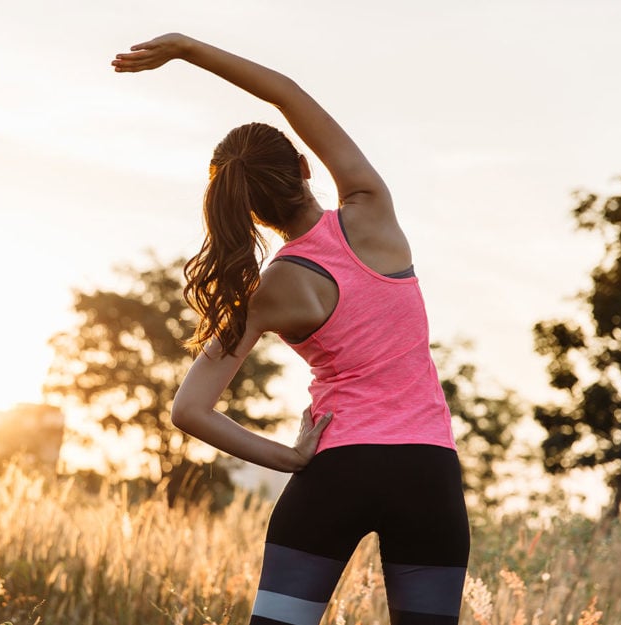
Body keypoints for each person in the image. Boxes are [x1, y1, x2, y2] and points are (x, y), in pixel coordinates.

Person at [112, 33, 470, 625]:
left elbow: (190, 410)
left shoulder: (269, 292)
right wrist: (185, 49)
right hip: (426, 470)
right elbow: (287, 93)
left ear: (247, 210)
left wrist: (287, 458)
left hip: (335, 469)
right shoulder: (370, 207)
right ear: (304, 168)